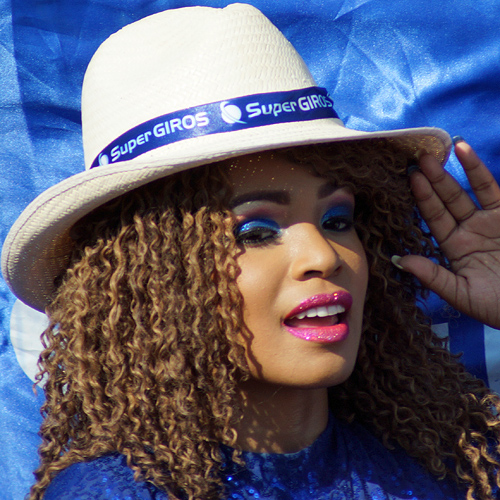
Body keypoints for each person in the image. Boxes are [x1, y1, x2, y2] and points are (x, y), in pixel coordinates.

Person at [2, 4, 500, 500]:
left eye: (337, 221)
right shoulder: (116, 494)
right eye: (256, 233)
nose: (322, 256)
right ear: (153, 279)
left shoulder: (449, 467)